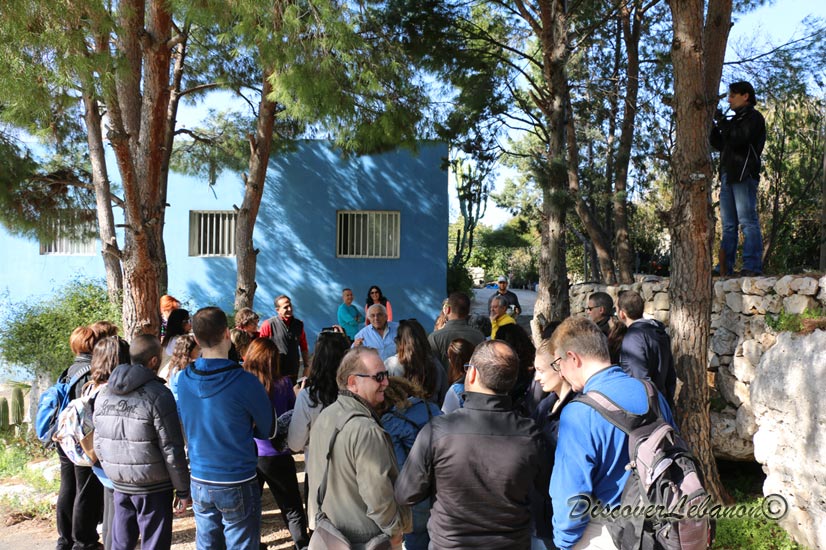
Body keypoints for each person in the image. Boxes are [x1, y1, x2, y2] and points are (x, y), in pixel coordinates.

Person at [395, 340, 546, 549]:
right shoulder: (531, 435)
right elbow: (546, 490)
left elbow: (406, 493)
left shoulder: (438, 431)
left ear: (472, 374)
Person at [548, 316, 674, 549]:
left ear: (573, 358)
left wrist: (564, 542)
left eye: (558, 364)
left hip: (612, 532)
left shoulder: (578, 413)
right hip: (661, 527)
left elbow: (571, 497)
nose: (561, 373)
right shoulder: (651, 392)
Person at [177, 307, 274, 550]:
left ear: (196, 339)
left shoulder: (183, 378)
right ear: (227, 334)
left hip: (200, 476)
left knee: (208, 544)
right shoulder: (245, 381)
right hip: (236, 476)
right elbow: (268, 430)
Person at [93, 334, 191, 550]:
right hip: (153, 486)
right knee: (154, 543)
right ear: (154, 361)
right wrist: (183, 489)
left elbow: (97, 441)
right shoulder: (159, 394)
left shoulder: (104, 393)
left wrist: (112, 472)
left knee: (121, 543)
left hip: (119, 483)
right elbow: (171, 448)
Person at [306, 347, 410, 548]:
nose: (386, 383)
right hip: (366, 540)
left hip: (331, 535)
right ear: (353, 382)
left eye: (386, 375)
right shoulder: (366, 430)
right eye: (378, 377)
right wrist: (395, 533)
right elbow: (378, 496)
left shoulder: (325, 416)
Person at [242, 339, 310, 550]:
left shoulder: (242, 385)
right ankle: (302, 545)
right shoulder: (283, 384)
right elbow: (292, 415)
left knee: (250, 508)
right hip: (277, 454)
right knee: (292, 508)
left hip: (249, 454)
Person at [710, 80, 766, 276]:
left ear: (745, 96)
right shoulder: (733, 121)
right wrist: (712, 125)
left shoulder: (754, 117)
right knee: (728, 225)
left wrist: (721, 120)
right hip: (727, 175)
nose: (729, 100)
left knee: (747, 221)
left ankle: (752, 266)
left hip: (744, 174)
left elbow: (738, 139)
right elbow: (721, 144)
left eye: (733, 96)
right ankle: (725, 267)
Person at [379, 377, 442, 550]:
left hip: (416, 498)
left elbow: (400, 470)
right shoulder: (430, 407)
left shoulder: (389, 421)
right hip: (444, 492)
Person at [56, 325, 104, 550]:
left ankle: (65, 540)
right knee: (85, 490)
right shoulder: (89, 371)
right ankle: (84, 541)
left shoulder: (68, 370)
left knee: (68, 487)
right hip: (81, 439)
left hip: (64, 436)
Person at [531, 337, 575, 550]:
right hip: (543, 512)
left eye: (541, 370)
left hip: (568, 514)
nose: (536, 377)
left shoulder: (578, 409)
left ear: (559, 367)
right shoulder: (544, 406)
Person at [87, 335, 131, 550]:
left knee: (110, 514)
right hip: (117, 461)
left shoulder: (91, 388)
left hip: (100, 461)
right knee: (118, 521)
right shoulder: (114, 391)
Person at [616, 290, 677, 409]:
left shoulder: (633, 337)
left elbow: (640, 380)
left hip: (646, 408)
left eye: (616, 309)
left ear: (622, 313)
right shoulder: (659, 332)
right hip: (662, 403)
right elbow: (670, 376)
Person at [385, 318, 448, 406]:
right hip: (431, 412)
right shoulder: (436, 364)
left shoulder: (390, 365)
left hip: (401, 413)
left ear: (399, 341)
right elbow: (444, 397)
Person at [428, 292, 485, 371]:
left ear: (447, 310)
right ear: (468, 311)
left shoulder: (434, 338)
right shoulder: (479, 336)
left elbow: (432, 369)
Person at [260, 295, 311, 380]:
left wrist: (306, 366)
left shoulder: (298, 325)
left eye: (290, 305)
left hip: (293, 370)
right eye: (285, 307)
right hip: (274, 372)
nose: (290, 309)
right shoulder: (268, 325)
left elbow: (303, 346)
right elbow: (260, 349)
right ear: (277, 310)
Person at [159, 334, 199, 402]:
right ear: (189, 350)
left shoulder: (176, 367)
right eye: (197, 348)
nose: (199, 351)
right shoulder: (181, 372)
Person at [441, 338, 476, 414]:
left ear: (452, 361)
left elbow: (445, 416)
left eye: (449, 357)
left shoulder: (455, 390)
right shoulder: (484, 382)